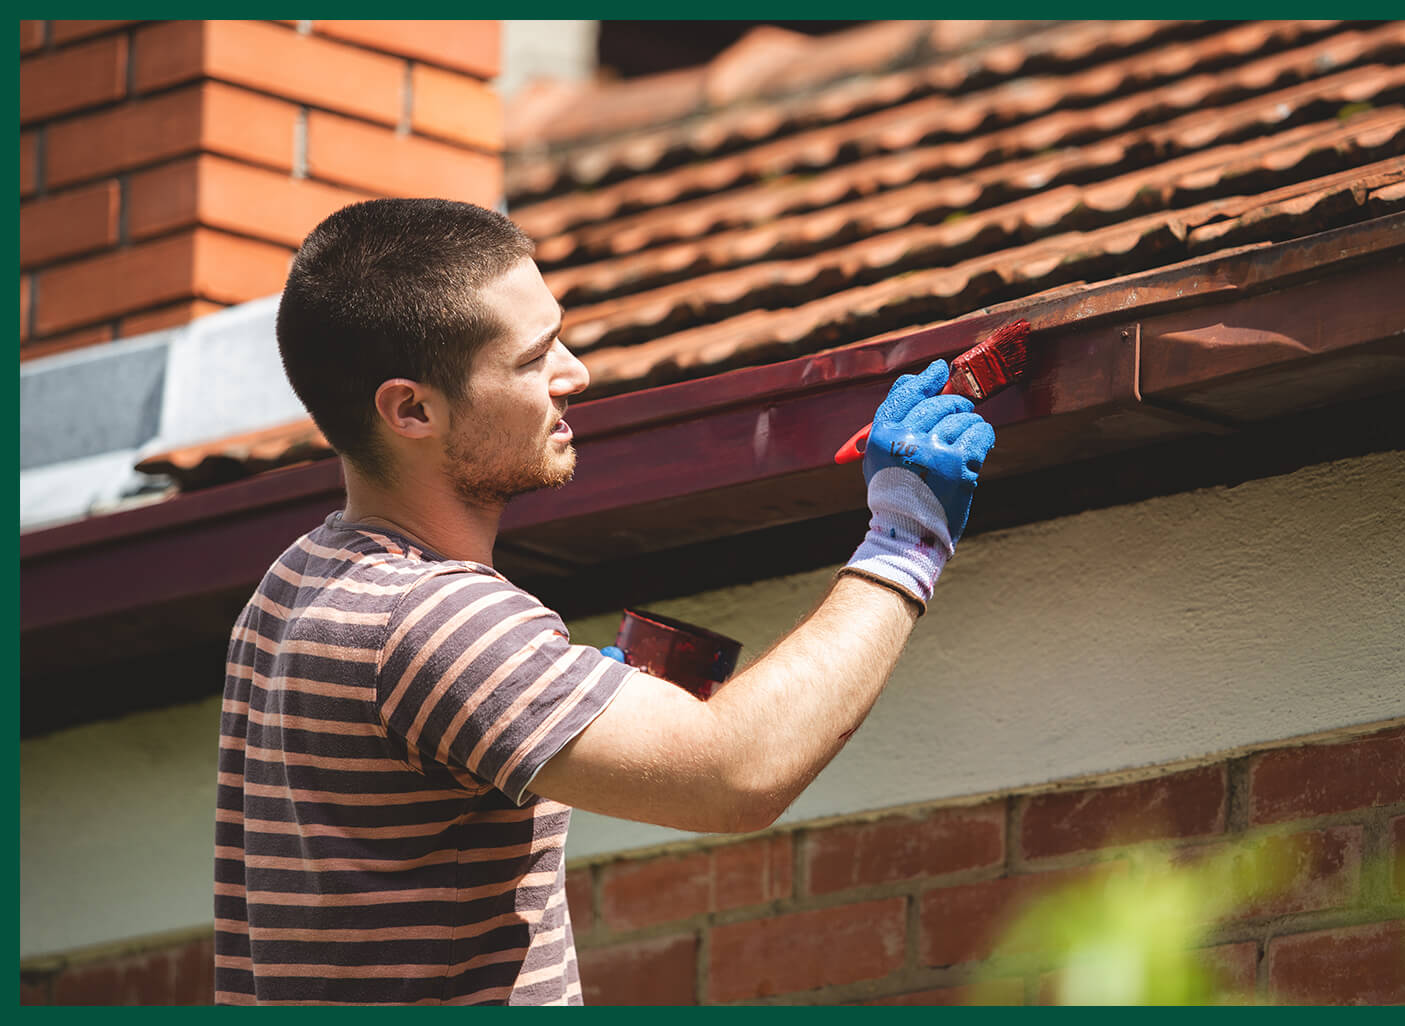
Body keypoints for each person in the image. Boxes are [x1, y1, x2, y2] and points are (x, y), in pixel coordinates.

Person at [215, 197, 997, 1005]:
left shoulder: (294, 588)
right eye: (533, 358)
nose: (576, 373)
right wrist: (909, 533)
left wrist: (545, 697)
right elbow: (739, 772)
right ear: (411, 409)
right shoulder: (433, 620)